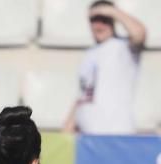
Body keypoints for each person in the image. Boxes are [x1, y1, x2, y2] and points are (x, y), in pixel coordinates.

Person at [63, 1, 146, 134]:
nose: (99, 25)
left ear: (113, 20)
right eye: (94, 19)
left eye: (104, 19)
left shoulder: (123, 47)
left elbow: (140, 33)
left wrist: (113, 11)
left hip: (116, 134)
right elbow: (84, 94)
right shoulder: (88, 54)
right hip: (88, 137)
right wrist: (69, 125)